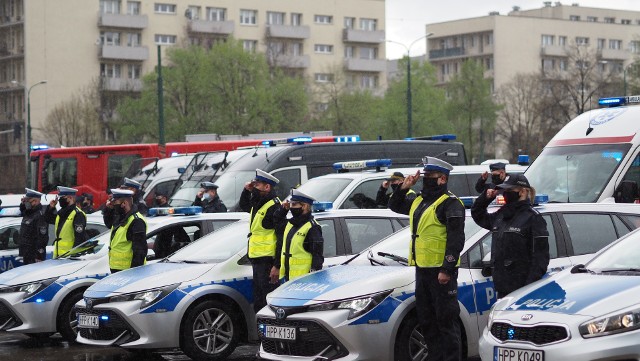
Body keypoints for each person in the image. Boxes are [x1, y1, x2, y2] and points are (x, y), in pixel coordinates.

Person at [389, 157, 465, 361]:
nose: (425, 180)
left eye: (430, 177)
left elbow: (456, 239)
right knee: (427, 322)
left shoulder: (450, 203)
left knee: (446, 323)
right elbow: (394, 205)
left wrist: (447, 268)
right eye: (424, 176)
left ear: (442, 179)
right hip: (422, 271)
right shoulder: (420, 201)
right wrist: (404, 187)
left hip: (441, 273)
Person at [471, 174, 550, 298]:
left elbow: (540, 260)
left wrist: (527, 290)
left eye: (509, 190)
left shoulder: (533, 218)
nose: (505, 194)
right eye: (504, 190)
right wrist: (486, 198)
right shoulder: (502, 215)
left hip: (522, 290)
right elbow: (478, 215)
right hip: (502, 289)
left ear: (522, 192)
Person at [239, 169, 283, 313]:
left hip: (268, 262)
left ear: (267, 187)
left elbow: (282, 237)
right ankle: (261, 333)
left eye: (257, 185)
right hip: (257, 260)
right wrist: (246, 190)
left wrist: (277, 265)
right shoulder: (259, 203)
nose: (254, 188)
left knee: (268, 302)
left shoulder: (275, 207)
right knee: (258, 301)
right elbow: (244, 205)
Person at [272, 189, 324, 283]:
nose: (291, 207)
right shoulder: (291, 224)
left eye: (294, 204)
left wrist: (314, 279)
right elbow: (276, 220)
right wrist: (284, 209)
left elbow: (317, 256)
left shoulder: (312, 227)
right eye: (291, 204)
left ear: (304, 206)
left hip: (304, 281)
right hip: (287, 279)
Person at [106, 188, 148, 273]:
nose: (113, 205)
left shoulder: (136, 221)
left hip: (128, 272)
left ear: (124, 203)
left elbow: (140, 251)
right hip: (117, 269)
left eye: (115, 203)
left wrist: (134, 273)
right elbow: (108, 224)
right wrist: (108, 209)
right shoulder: (121, 217)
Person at [44, 186, 88, 258]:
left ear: (70, 198)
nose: (59, 200)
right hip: (58, 255)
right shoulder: (61, 213)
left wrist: (73, 255)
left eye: (62, 198)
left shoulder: (77, 214)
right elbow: (48, 219)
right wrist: (51, 207)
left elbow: (79, 237)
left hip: (69, 257)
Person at [18, 188, 48, 264]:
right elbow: (23, 211)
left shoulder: (40, 215)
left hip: (34, 255)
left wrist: (39, 256)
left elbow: (42, 238)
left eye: (27, 201)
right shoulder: (29, 213)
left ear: (35, 201)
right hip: (27, 254)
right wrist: (22, 203)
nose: (26, 203)